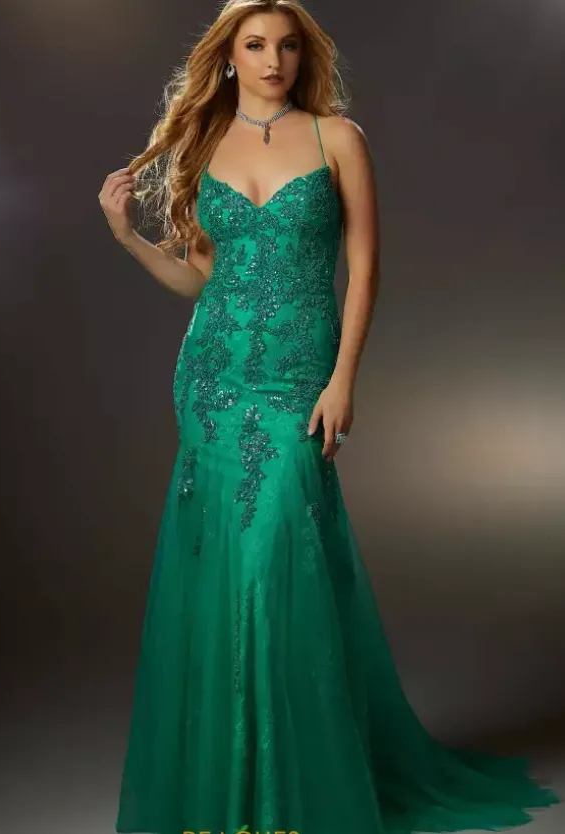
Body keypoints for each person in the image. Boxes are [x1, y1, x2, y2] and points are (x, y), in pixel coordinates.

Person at [99, 2, 560, 832]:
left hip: (297, 381)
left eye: (286, 45)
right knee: (226, 574)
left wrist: (343, 378)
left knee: (278, 565)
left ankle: (287, 788)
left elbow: (365, 267)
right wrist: (129, 238)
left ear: (302, 55)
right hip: (212, 382)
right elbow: (202, 278)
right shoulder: (203, 144)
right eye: (255, 45)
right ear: (229, 57)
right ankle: (233, 790)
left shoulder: (336, 139)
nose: (273, 59)